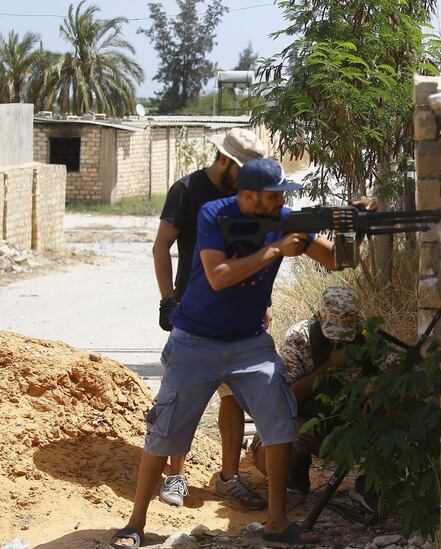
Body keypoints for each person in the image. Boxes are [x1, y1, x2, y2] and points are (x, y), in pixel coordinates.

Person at [110, 158, 337, 548]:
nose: (281, 201)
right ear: (248, 195)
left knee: (280, 425)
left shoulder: (283, 217)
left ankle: (277, 522)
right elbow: (218, 276)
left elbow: (334, 260)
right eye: (273, 195)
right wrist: (276, 250)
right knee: (163, 434)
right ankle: (135, 524)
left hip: (250, 341)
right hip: (195, 340)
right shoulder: (214, 213)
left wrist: (355, 227)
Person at [153, 127, 267, 510]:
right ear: (226, 160)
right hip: (194, 315)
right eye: (245, 169)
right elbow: (161, 246)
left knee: (232, 399)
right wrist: (168, 300)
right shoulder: (186, 190)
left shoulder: (246, 195)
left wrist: (260, 302)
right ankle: (175, 475)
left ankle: (228, 477)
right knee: (184, 398)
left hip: (239, 318)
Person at [252, 286, 380, 514]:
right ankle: (295, 472)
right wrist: (330, 366)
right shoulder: (299, 338)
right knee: (268, 456)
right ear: (319, 317)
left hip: (352, 424)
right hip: (308, 420)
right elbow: (286, 398)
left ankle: (368, 485)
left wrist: (376, 385)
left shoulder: (367, 337)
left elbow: (390, 376)